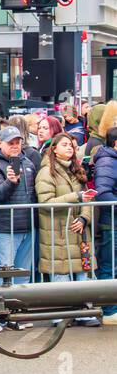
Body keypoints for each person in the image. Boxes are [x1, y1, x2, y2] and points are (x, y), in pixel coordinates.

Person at [36, 133, 101, 325]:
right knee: (61, 273)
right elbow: (45, 202)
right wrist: (76, 197)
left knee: (84, 272)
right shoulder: (47, 172)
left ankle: (85, 313)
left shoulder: (76, 170)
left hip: (79, 230)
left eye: (71, 145)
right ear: (54, 148)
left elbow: (87, 199)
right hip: (58, 232)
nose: (70, 148)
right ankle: (61, 315)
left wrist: (84, 217)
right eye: (64, 145)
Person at [0, 125, 38, 285]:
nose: (15, 146)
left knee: (23, 276)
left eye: (17, 142)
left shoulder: (27, 162)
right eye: (10, 143)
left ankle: (22, 308)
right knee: (3, 278)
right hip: (5, 229)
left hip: (27, 227)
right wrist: (10, 182)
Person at [91, 126, 117, 321]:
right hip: (111, 224)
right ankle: (109, 311)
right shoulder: (108, 161)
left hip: (112, 221)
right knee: (109, 266)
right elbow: (103, 192)